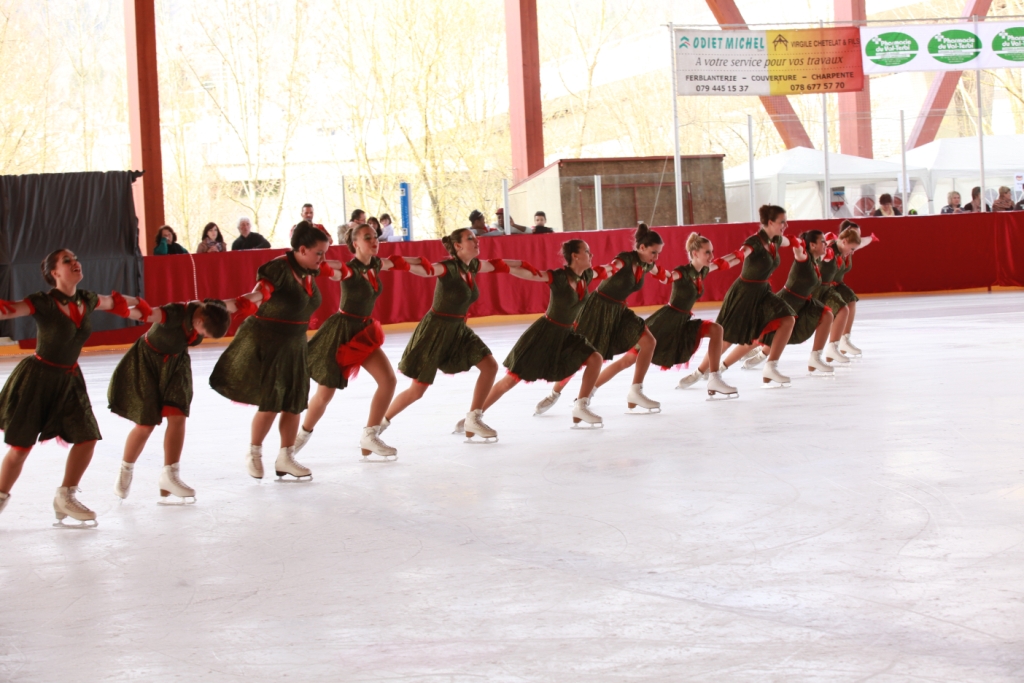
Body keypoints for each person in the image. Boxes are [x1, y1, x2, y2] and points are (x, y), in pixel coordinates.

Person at [0, 249, 141, 526]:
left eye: (75, 258)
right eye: (67, 261)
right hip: (37, 380)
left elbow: (114, 301)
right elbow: (10, 309)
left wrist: (142, 305)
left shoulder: (87, 299)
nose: (75, 262)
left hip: (69, 379)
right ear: (55, 273)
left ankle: (65, 496)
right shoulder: (43, 302)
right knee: (20, 449)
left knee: (87, 437)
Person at [209, 221, 334, 481]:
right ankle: (254, 452)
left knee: (294, 402)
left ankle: (286, 457)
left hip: (295, 344)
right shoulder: (278, 268)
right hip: (270, 342)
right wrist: (236, 304)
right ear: (302, 249)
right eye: (319, 253)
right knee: (272, 402)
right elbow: (259, 294)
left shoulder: (308, 269)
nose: (323, 259)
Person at [382, 228, 534, 442]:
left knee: (489, 366)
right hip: (436, 330)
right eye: (470, 238)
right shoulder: (447, 267)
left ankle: (473, 418)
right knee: (417, 391)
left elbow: (498, 265)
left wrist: (522, 264)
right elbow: (426, 270)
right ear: (458, 246)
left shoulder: (473, 266)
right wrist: (397, 262)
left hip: (458, 329)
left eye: (475, 237)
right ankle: (378, 425)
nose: (476, 241)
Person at [297, 223, 431, 460]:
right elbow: (330, 268)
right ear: (355, 244)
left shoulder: (376, 264)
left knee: (388, 380)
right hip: (341, 333)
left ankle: (370, 434)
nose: (374, 240)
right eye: (367, 237)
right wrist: (312, 257)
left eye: (375, 236)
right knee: (325, 395)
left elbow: (398, 262)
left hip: (363, 332)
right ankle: (299, 439)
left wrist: (421, 261)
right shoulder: (349, 269)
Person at [108, 297, 236, 503]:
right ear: (199, 321)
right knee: (146, 424)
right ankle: (126, 470)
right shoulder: (173, 314)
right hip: (148, 363)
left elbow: (238, 302)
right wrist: (120, 308)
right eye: (204, 333)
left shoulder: (214, 310)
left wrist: (263, 296)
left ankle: (170, 476)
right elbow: (147, 313)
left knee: (178, 416)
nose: (202, 337)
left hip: (176, 364)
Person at [465, 239, 603, 428]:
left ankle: (581, 405)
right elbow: (529, 273)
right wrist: (503, 266)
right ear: (575, 256)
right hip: (544, 334)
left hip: (567, 335)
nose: (591, 254)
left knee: (595, 358)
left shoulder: (586, 275)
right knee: (510, 381)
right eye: (587, 251)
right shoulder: (558, 277)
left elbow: (609, 270)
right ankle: (473, 416)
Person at [537, 223, 668, 415]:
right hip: (598, 309)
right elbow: (611, 267)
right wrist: (592, 272)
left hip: (619, 310)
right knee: (580, 356)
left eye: (658, 253)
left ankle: (635, 391)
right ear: (642, 247)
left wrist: (687, 274)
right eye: (653, 252)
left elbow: (665, 275)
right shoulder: (625, 259)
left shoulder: (647, 264)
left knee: (649, 342)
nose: (656, 257)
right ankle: (554, 394)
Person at [714, 205, 797, 387]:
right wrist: (724, 261)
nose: (786, 225)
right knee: (729, 336)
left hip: (762, 292)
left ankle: (770, 366)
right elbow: (742, 253)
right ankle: (705, 371)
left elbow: (792, 241)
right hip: (744, 292)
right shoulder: (755, 241)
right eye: (782, 222)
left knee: (787, 319)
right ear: (770, 222)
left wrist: (809, 243)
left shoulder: (776, 240)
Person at [649, 233, 740, 398]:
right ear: (695, 253)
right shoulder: (682, 272)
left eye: (712, 252)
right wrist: (649, 264)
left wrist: (744, 253)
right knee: (633, 356)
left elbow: (723, 263)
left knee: (717, 330)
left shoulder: (702, 271)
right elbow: (667, 277)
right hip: (669, 321)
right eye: (707, 252)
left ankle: (714, 378)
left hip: (684, 320)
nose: (711, 256)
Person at [743, 230, 837, 375]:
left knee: (827, 315)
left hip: (802, 303)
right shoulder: (803, 257)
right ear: (812, 245)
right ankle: (721, 365)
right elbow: (797, 249)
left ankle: (815, 358)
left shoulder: (816, 258)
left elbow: (831, 252)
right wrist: (783, 239)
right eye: (822, 242)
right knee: (764, 333)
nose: (826, 245)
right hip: (786, 301)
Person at [816, 221, 878, 363]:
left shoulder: (850, 247)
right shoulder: (830, 247)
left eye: (858, 235)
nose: (858, 238)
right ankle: (832, 346)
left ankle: (844, 340)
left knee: (851, 300)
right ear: (844, 236)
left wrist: (871, 238)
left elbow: (862, 242)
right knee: (842, 309)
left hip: (837, 285)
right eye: (855, 234)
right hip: (823, 287)